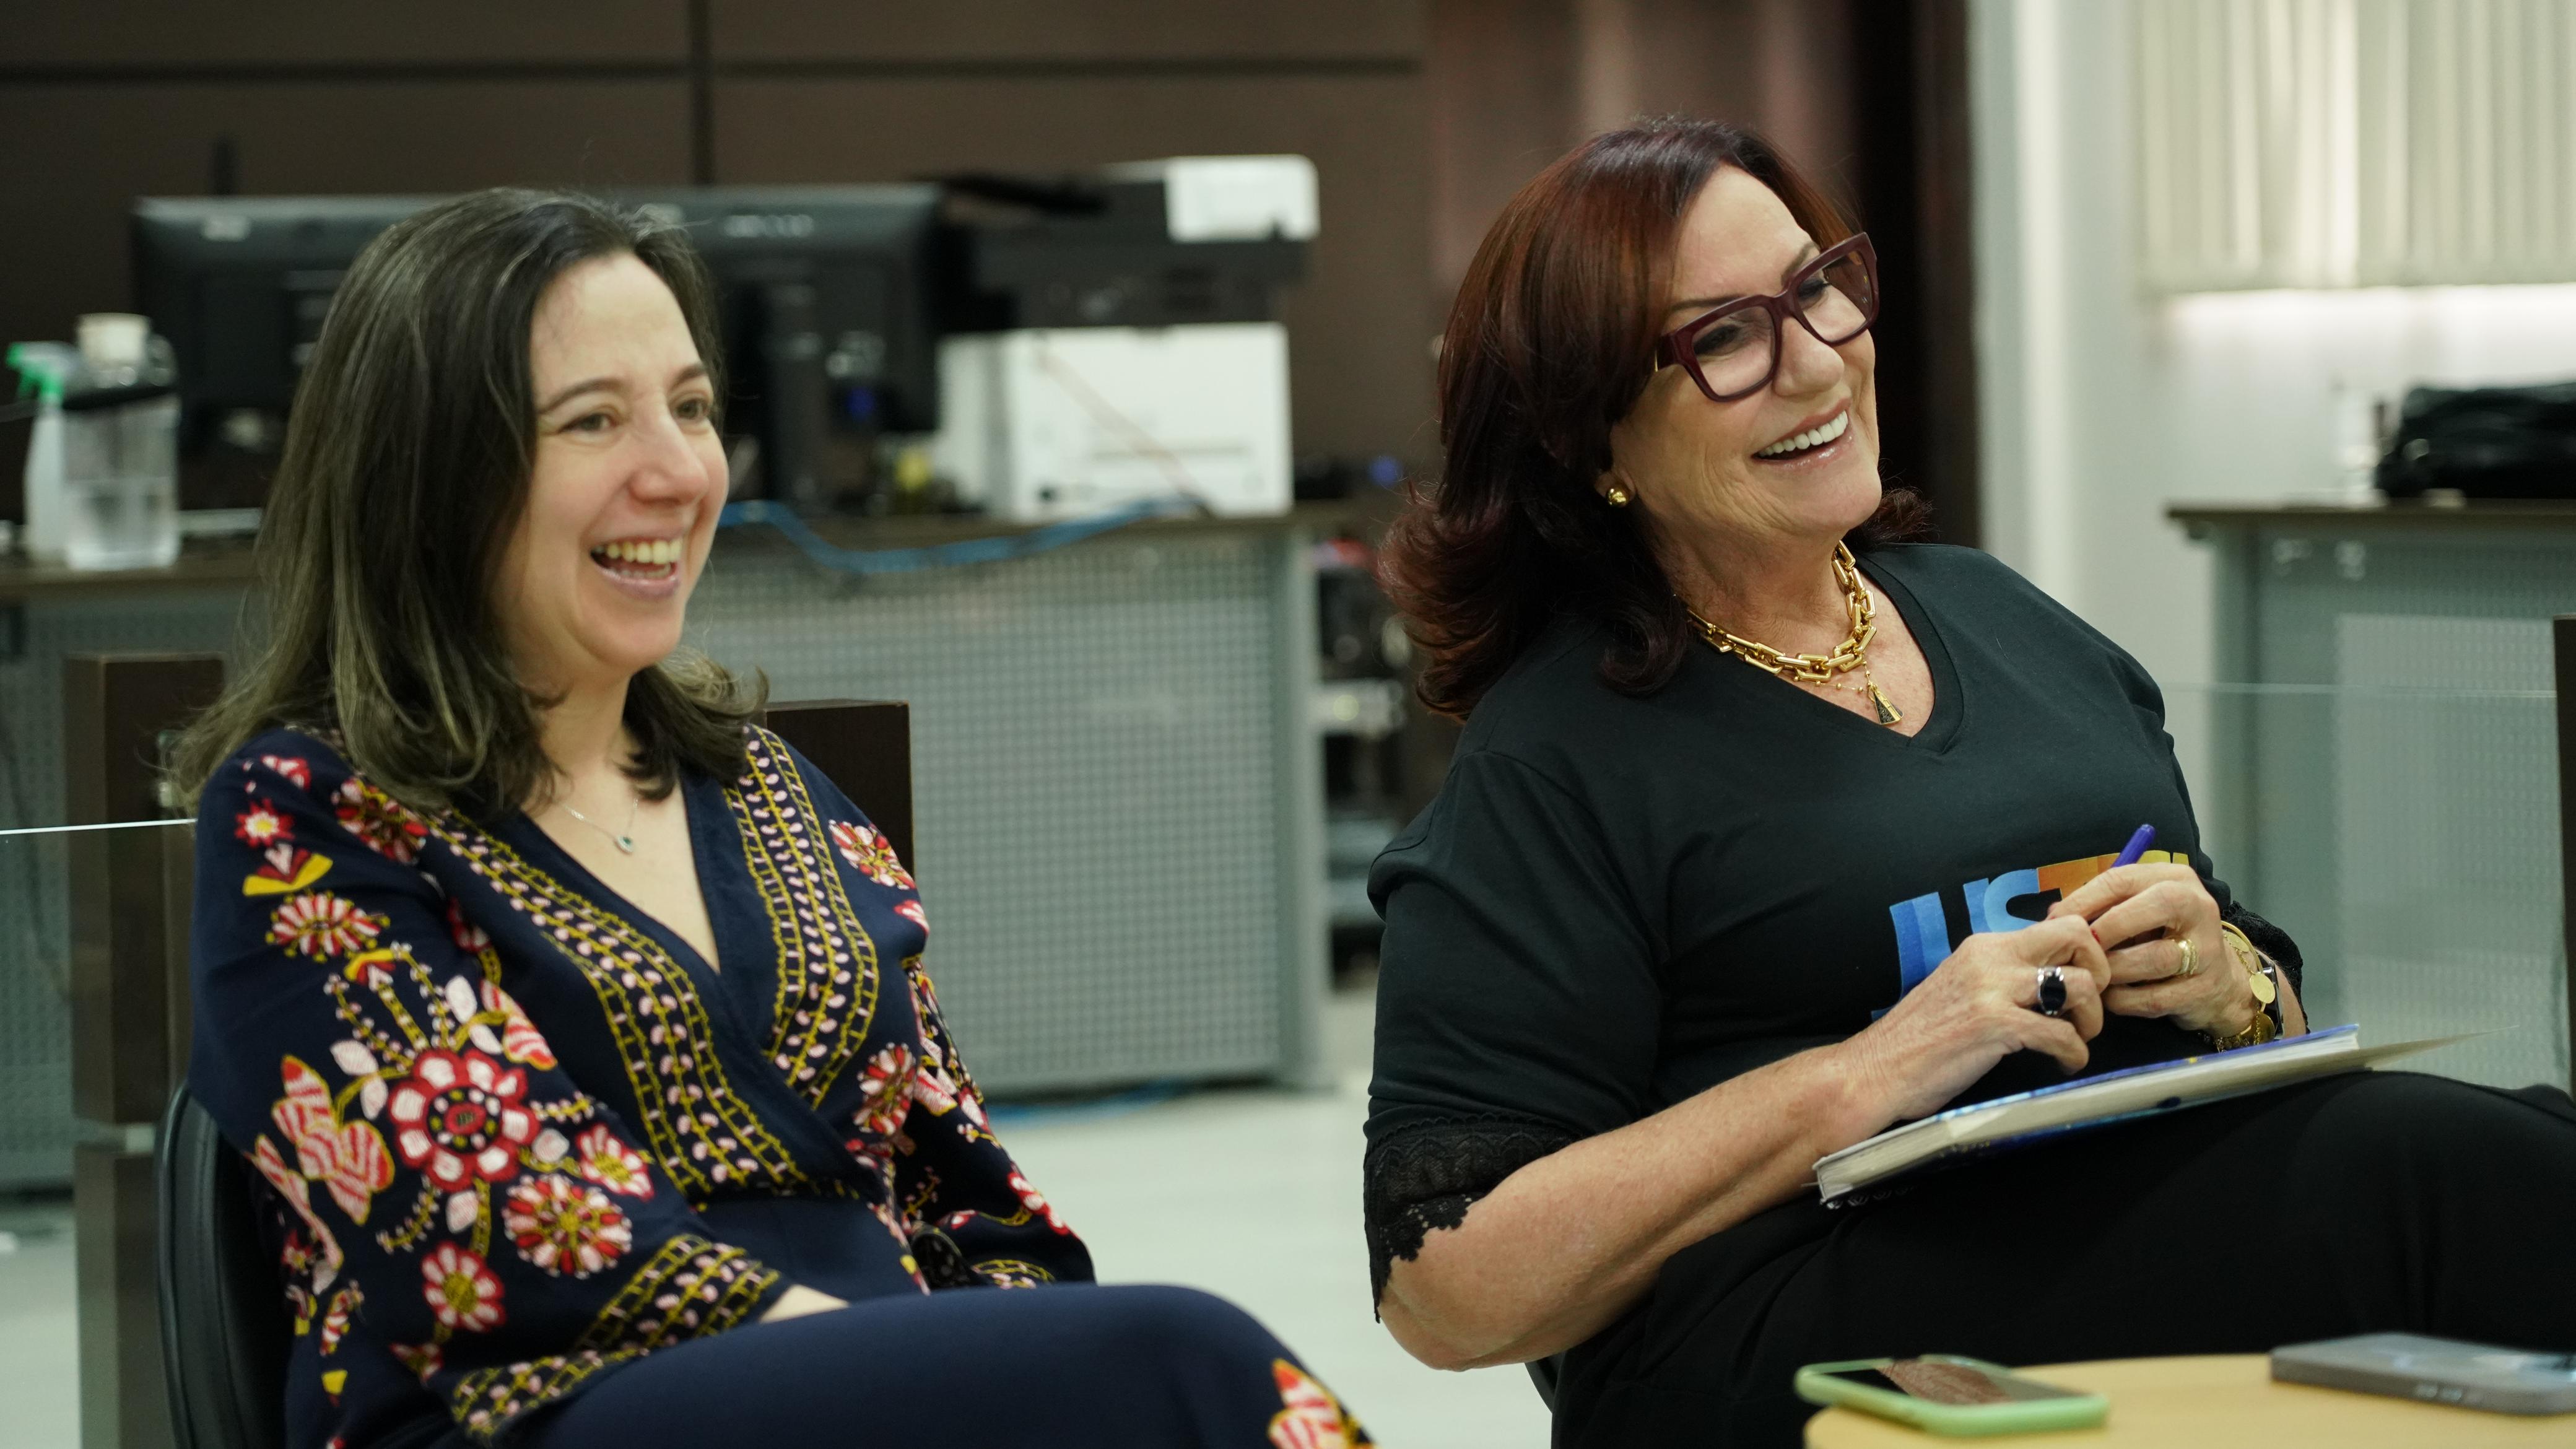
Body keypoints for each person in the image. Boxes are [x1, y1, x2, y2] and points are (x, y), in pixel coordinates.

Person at [1361, 118, 2576, 1448]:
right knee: (2409, 1180)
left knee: (2513, 1146)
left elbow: (2246, 977)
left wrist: (2231, 982)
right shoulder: (1557, 759)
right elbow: (1447, 1289)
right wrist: (1867, 1073)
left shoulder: (1997, 612)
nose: (1814, 359)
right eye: (1720, 339)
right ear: (1587, 441)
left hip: (2130, 1209)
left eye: (1816, 287)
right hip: (1791, 1335)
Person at [175, 189, 1372, 1449]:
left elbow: (970, 1194)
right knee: (1184, 1361)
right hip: (529, 1408)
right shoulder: (305, 817)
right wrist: (933, 1381)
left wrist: (992, 1361)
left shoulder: (769, 789)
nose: (680, 470)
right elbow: (505, 1236)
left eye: (691, 408)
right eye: (594, 420)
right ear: (428, 478)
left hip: (877, 1390)